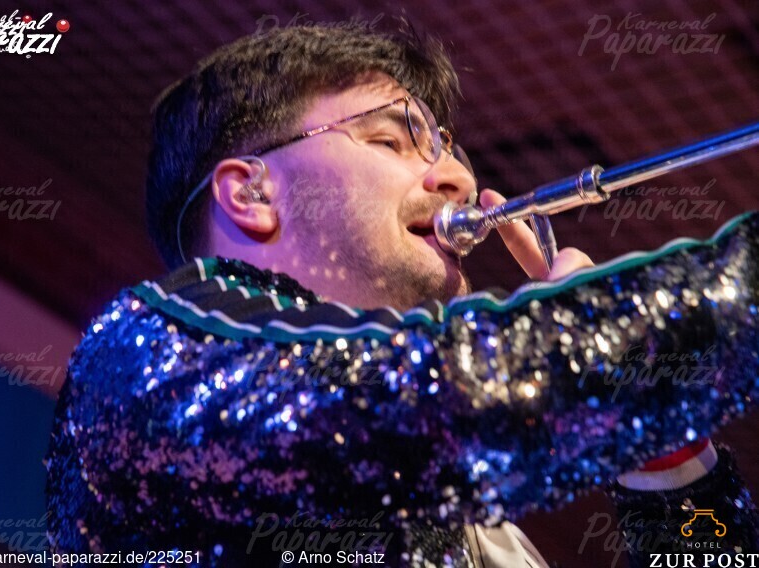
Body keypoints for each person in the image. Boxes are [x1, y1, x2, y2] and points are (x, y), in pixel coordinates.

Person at [45, 24, 759, 567]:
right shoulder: (143, 361)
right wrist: (610, 339)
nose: (458, 178)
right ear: (251, 193)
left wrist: (665, 461)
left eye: (447, 149)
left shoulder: (486, 530)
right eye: (391, 140)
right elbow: (418, 393)